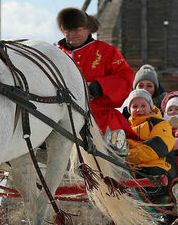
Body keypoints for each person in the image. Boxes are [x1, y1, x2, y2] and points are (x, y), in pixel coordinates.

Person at [56, 7, 137, 140]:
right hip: (61, 118)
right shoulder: (56, 54)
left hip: (100, 119)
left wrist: (101, 87)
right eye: (67, 30)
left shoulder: (106, 52)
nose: (71, 34)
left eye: (76, 29)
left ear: (88, 29)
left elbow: (125, 76)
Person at [125, 89, 176, 182]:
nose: (139, 109)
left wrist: (127, 156)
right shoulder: (127, 129)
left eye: (143, 105)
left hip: (158, 168)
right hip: (134, 168)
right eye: (134, 106)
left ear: (151, 107)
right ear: (129, 110)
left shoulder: (161, 124)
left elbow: (155, 149)